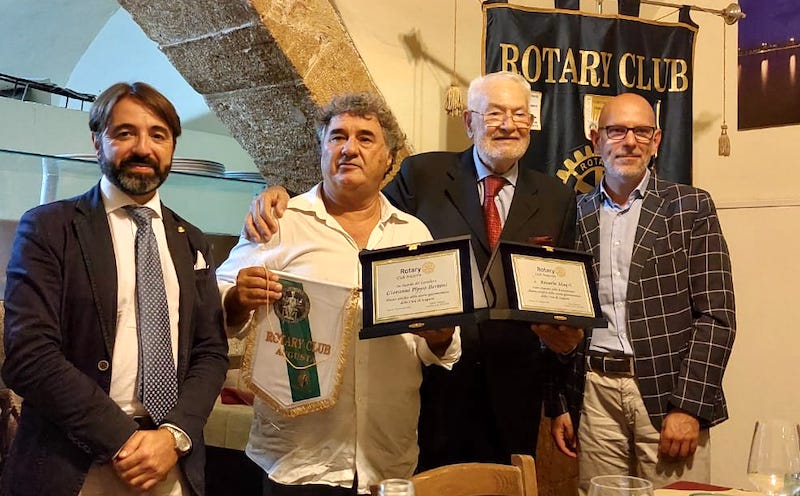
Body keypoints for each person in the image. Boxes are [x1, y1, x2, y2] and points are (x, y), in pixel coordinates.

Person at [244, 72, 584, 470]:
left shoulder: (558, 197)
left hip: (513, 395)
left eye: (519, 114)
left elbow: (559, 301)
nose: (508, 124)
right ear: (469, 122)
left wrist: (560, 386)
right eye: (494, 113)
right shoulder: (424, 175)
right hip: (434, 396)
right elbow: (353, 205)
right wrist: (281, 196)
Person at [215, 92, 461, 495]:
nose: (349, 148)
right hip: (298, 462)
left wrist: (440, 336)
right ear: (322, 150)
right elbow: (218, 297)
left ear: (388, 159)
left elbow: (441, 347)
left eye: (365, 138)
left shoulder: (413, 234)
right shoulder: (280, 222)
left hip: (387, 460)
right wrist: (238, 298)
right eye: (338, 137)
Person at [1, 82, 229, 496]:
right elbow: (29, 355)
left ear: (172, 147)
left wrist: (173, 435)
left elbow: (211, 352)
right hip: (71, 462)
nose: (143, 148)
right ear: (97, 142)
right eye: (125, 133)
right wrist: (122, 439)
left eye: (158, 135)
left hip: (169, 461)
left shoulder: (191, 240)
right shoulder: (49, 229)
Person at [546, 93, 736, 493]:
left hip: (667, 395)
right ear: (596, 139)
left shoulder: (691, 207)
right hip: (594, 394)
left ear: (657, 140)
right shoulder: (572, 213)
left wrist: (689, 406)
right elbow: (556, 313)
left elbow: (716, 317)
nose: (630, 141)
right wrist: (560, 402)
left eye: (641, 131)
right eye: (617, 131)